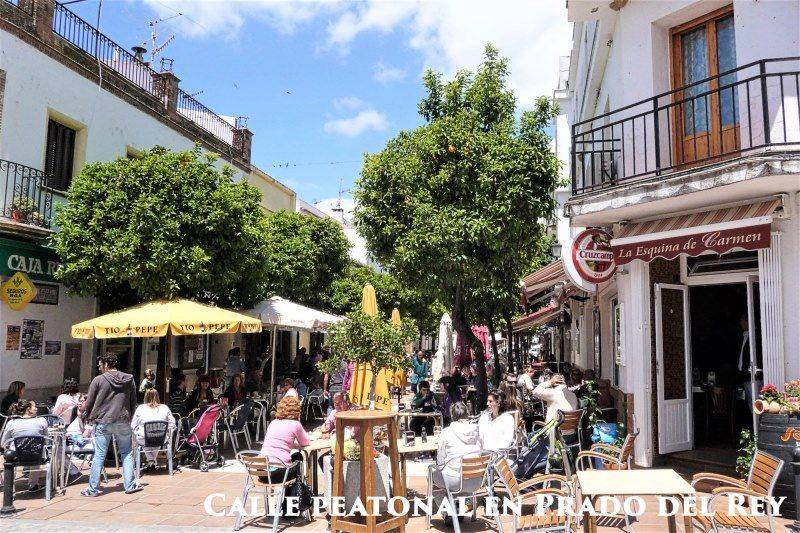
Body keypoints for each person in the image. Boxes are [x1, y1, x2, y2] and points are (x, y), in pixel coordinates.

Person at [81, 352, 139, 496]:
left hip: (103, 420)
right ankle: (130, 485)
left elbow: (90, 402)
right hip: (123, 419)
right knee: (126, 452)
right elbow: (133, 400)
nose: (99, 368)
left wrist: (87, 416)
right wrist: (130, 416)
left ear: (106, 364)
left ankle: (93, 489)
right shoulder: (129, 379)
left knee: (100, 454)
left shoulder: (98, 380)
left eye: (100, 365)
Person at [434, 401, 481, 503]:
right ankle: (464, 504)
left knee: (432, 474)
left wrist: (441, 467)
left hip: (454, 480)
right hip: (476, 480)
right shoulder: (478, 430)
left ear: (452, 415)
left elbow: (440, 459)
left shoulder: (446, 432)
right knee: (457, 477)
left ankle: (448, 512)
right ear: (467, 414)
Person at [0, 399, 48, 491]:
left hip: (16, 456)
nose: (36, 409)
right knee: (37, 449)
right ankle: (33, 484)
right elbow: (46, 440)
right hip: (37, 456)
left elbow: (3, 443)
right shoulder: (42, 421)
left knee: (10, 453)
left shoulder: (12, 423)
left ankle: (9, 487)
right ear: (28, 408)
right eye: (34, 406)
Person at [259, 396, 309, 482]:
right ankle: (295, 492)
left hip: (262, 473)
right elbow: (305, 442)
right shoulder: (295, 424)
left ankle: (287, 493)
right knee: (298, 457)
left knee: (294, 457)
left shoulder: (273, 423)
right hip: (278, 474)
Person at [532, 373, 579, 447]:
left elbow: (535, 392)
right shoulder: (573, 395)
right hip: (571, 435)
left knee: (531, 436)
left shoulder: (553, 393)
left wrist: (549, 382)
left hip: (555, 436)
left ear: (554, 383)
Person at [131, 389, 176, 466]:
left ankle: (146, 460)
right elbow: (173, 423)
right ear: (158, 396)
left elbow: (133, 425)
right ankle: (152, 460)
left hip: (144, 439)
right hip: (161, 439)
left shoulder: (140, 408)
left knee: (139, 437)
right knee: (156, 437)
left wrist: (137, 430)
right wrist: (168, 430)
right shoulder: (165, 407)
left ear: (145, 396)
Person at [738, 313, 763, 411]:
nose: (741, 323)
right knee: (750, 403)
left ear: (749, 321)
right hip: (745, 375)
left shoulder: (757, 337)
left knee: (756, 403)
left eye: (743, 321)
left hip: (754, 375)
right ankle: (754, 425)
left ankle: (759, 425)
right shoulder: (743, 336)